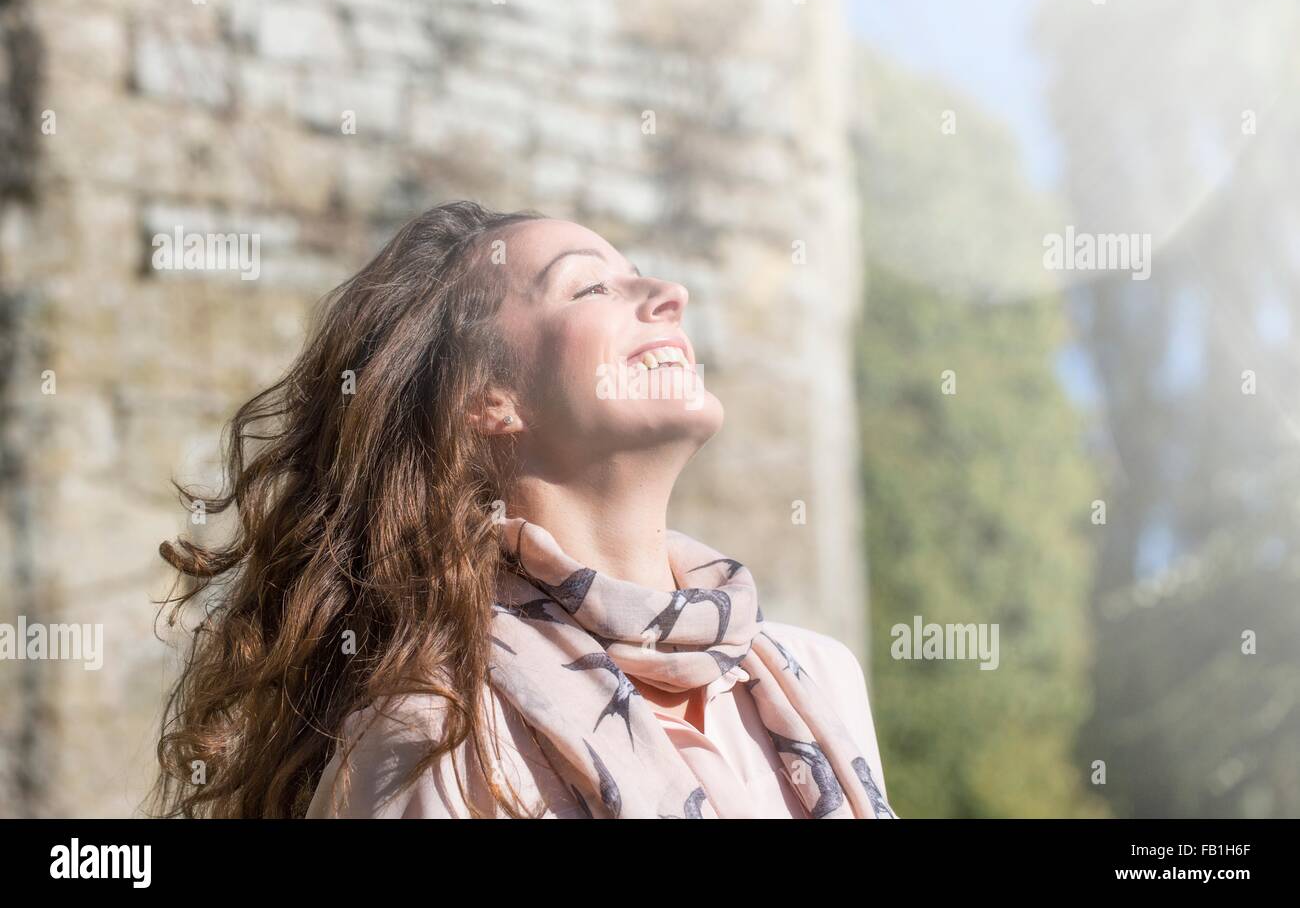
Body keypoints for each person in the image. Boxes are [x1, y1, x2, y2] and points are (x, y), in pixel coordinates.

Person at [149, 200, 897, 819]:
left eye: (637, 277)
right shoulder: (437, 734)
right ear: (488, 400)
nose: (671, 295)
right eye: (592, 288)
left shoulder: (818, 680)